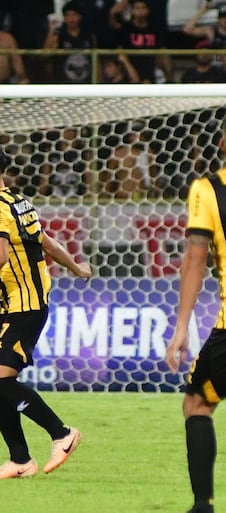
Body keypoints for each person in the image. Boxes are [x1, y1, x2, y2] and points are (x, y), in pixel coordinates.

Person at [0, 143, 91, 479]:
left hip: (23, 306)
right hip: (22, 305)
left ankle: (62, 433)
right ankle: (19, 460)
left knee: (1, 382)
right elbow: (44, 241)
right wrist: (75, 266)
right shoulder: (19, 202)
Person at [166, 119, 226, 513]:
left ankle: (203, 505)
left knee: (197, 405)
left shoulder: (208, 190)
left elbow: (196, 256)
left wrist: (182, 326)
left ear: (222, 143)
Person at [109, 0, 172, 84]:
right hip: (131, 66)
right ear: (132, 11)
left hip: (150, 65)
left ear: (148, 10)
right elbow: (113, 14)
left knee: (164, 54)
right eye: (137, 8)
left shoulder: (154, 29)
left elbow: (159, 49)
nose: (140, 11)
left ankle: (170, 84)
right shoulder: (126, 28)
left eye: (143, 8)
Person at [42, 1, 96, 84]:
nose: (71, 18)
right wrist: (51, 31)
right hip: (63, 83)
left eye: (74, 15)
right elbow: (46, 54)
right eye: (68, 15)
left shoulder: (88, 35)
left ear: (80, 17)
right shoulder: (59, 35)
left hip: (85, 83)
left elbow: (96, 59)